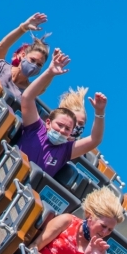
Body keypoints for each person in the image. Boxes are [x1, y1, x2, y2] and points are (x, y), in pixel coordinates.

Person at [19, 49, 107, 177]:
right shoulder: (35, 128)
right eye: (59, 125)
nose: (61, 130)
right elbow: (27, 97)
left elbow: (95, 139)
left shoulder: (65, 150)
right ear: (48, 122)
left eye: (67, 129)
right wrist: (49, 72)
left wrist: (99, 112)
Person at [32, 187, 124, 254]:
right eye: (103, 226)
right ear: (90, 216)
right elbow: (35, 246)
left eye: (110, 230)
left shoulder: (99, 251)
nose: (105, 232)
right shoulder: (67, 221)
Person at [0, 13, 50, 111]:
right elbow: (1, 47)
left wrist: (52, 71)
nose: (34, 66)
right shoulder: (1, 66)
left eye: (39, 65)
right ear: (23, 55)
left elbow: (42, 87)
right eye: (32, 60)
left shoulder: (28, 93)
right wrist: (23, 28)